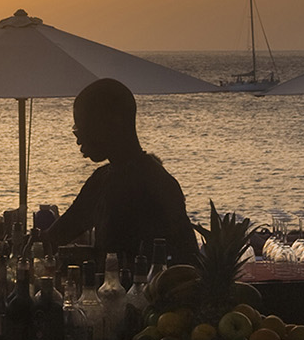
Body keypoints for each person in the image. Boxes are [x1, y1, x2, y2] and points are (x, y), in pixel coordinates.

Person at [40, 78, 198, 265]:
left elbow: (182, 265)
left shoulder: (157, 186)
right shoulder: (101, 180)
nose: (78, 139)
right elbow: (57, 236)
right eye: (76, 129)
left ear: (113, 123)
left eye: (83, 127)